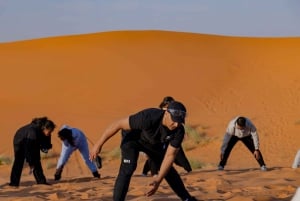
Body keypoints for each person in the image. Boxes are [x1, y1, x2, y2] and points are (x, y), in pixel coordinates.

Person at [90, 101, 197, 201]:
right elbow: (118, 124)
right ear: (166, 114)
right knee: (129, 167)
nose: (176, 125)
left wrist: (158, 180)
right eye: (174, 120)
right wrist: (98, 145)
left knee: (168, 169)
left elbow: (170, 155)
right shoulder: (148, 117)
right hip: (133, 139)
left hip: (152, 144)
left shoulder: (178, 131)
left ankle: (187, 199)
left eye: (180, 122)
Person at [142, 96, 192, 176]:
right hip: (157, 138)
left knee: (178, 154)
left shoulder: (175, 112)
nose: (168, 106)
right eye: (167, 105)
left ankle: (188, 170)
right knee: (153, 154)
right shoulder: (159, 114)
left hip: (171, 137)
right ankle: (151, 173)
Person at [9, 117, 56, 187]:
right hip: (20, 142)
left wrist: (46, 146)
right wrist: (30, 162)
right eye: (49, 131)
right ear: (44, 128)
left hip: (33, 141)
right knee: (19, 161)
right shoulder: (32, 131)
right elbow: (29, 148)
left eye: (51, 131)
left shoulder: (46, 131)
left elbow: (46, 142)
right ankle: (14, 183)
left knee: (37, 160)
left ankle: (41, 182)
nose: (49, 133)